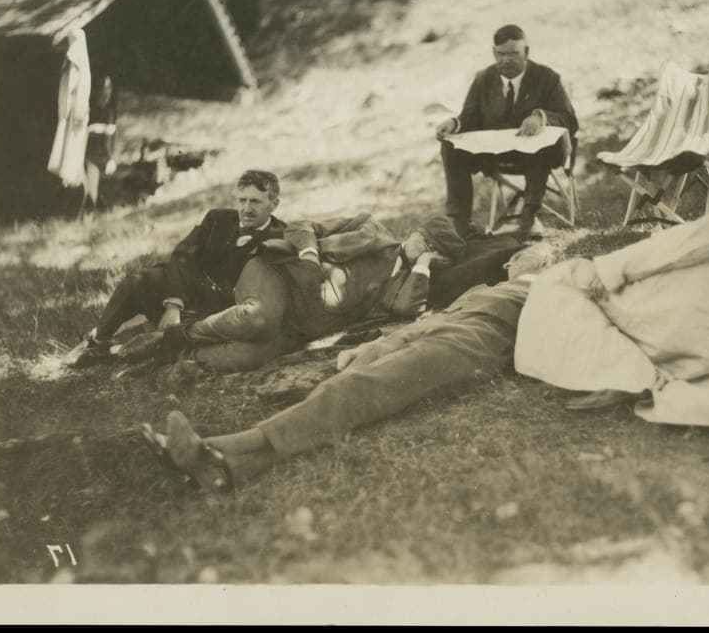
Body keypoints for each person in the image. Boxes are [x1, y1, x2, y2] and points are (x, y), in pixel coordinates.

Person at [141, 242, 565, 492]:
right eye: (521, 255)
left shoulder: (554, 286)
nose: (520, 259)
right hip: (444, 328)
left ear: (545, 263)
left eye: (531, 255)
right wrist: (378, 346)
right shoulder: (489, 285)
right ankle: (224, 468)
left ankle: (215, 447)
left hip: (479, 340)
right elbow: (421, 318)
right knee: (353, 376)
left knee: (360, 388)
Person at [513, 130, 709, 427]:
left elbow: (706, 238)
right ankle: (628, 374)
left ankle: (621, 377)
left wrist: (614, 267)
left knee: (563, 280)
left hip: (706, 307)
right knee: (596, 287)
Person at [164, 214, 474, 371]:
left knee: (252, 354)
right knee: (259, 319)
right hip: (277, 277)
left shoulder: (407, 283)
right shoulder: (372, 231)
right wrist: (310, 254)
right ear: (415, 233)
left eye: (436, 252)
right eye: (427, 243)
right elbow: (300, 226)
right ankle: (183, 334)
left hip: (296, 325)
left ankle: (181, 354)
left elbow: (407, 309)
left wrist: (423, 264)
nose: (428, 250)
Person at [63, 169, 300, 368]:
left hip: (218, 313)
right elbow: (182, 255)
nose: (246, 208)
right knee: (138, 281)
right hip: (187, 295)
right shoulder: (217, 219)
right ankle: (98, 341)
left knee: (173, 345)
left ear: (274, 203)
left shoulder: (280, 238)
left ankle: (142, 348)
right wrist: (174, 303)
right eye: (242, 200)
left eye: (255, 201)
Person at [434, 24, 579, 241]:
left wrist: (540, 117)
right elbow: (470, 117)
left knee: (539, 144)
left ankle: (529, 215)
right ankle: (460, 222)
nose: (507, 60)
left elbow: (569, 120)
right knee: (450, 146)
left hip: (538, 155)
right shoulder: (484, 78)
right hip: (495, 154)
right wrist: (454, 123)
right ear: (494, 53)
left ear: (526, 53)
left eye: (514, 54)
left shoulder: (546, 77)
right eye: (501, 54)